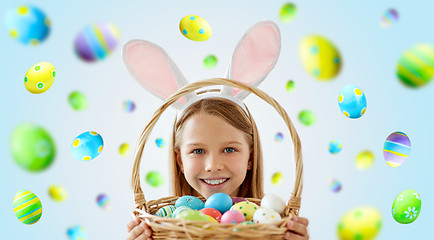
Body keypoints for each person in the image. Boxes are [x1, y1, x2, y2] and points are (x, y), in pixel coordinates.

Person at [122, 20, 309, 240]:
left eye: (229, 149)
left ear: (250, 156)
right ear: (179, 160)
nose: (213, 166)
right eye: (198, 151)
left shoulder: (272, 222)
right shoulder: (164, 224)